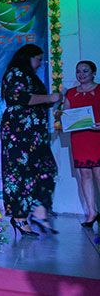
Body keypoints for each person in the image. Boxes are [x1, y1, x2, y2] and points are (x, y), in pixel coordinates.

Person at [1, 44, 61, 237]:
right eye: (38, 58)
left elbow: (39, 100)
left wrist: (53, 100)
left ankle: (37, 210)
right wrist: (49, 97)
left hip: (35, 134)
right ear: (28, 58)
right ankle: (19, 217)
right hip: (19, 132)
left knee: (45, 169)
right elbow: (20, 97)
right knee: (19, 173)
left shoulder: (31, 76)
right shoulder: (15, 73)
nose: (40, 62)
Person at [64, 60, 100, 228]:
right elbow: (66, 116)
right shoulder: (70, 93)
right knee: (84, 175)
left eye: (85, 71)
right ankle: (92, 212)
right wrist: (62, 119)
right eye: (78, 71)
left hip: (97, 137)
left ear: (93, 72)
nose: (81, 74)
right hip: (79, 138)